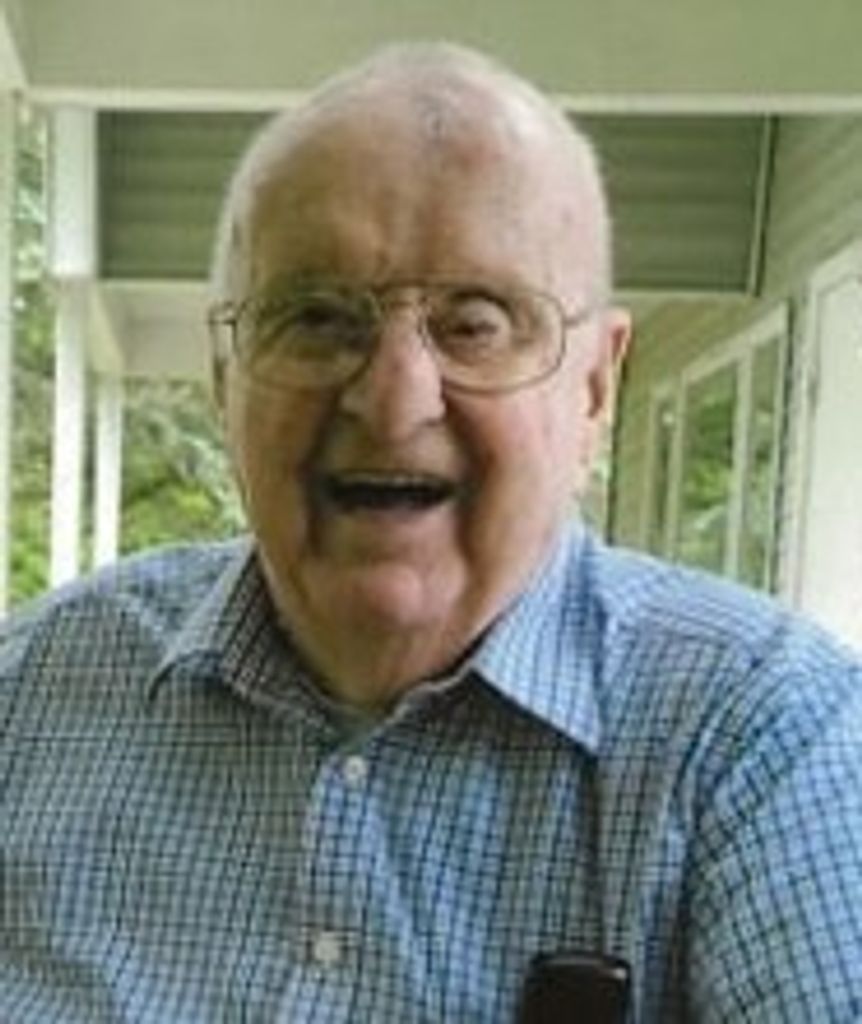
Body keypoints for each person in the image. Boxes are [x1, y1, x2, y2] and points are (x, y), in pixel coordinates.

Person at [2, 41, 861, 1024]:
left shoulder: (768, 740)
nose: (392, 397)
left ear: (594, 386)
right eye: (317, 317)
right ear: (223, 374)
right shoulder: (26, 700)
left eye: (476, 322)